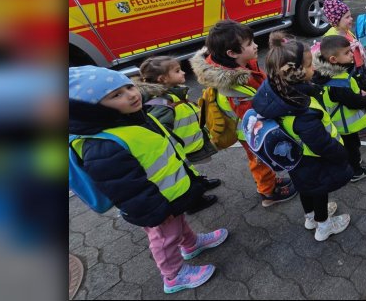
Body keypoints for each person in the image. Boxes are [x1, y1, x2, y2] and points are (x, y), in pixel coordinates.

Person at [69, 66, 228, 294]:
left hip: (168, 194)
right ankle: (173, 276)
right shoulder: (102, 146)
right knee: (164, 238)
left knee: (179, 223)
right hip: (154, 204)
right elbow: (125, 188)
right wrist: (155, 212)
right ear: (91, 110)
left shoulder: (129, 117)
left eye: (128, 86)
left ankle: (191, 244)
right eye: (116, 95)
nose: (132, 95)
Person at [251, 32, 353, 241]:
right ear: (294, 73)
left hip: (294, 159)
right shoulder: (301, 110)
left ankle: (310, 217)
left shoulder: (277, 93)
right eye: (308, 66)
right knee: (318, 190)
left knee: (304, 188)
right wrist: (341, 153)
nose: (313, 69)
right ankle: (324, 226)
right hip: (313, 160)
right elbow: (321, 144)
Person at [190, 20, 296, 207]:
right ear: (232, 53)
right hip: (250, 131)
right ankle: (268, 192)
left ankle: (268, 181)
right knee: (260, 159)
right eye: (249, 44)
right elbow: (257, 113)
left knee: (261, 160)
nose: (256, 46)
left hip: (251, 125)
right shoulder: (234, 87)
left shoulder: (240, 65)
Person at [136, 56, 220, 215]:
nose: (183, 72)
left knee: (190, 169)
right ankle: (195, 201)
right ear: (162, 79)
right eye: (177, 71)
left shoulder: (173, 93)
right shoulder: (161, 104)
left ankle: (200, 183)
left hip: (187, 145)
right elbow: (162, 132)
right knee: (185, 172)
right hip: (179, 150)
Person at [312, 35, 366, 182]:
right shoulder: (338, 83)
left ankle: (347, 165)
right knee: (352, 148)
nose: (352, 54)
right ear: (333, 59)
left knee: (345, 147)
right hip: (345, 126)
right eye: (347, 53)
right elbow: (354, 102)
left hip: (334, 123)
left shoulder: (322, 74)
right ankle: (355, 171)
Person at [322, 0, 366, 91]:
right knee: (356, 91)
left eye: (350, 16)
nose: (351, 19)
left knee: (364, 88)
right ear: (336, 20)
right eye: (347, 17)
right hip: (349, 71)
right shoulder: (333, 37)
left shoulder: (345, 30)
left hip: (358, 66)